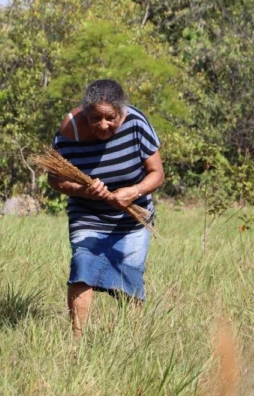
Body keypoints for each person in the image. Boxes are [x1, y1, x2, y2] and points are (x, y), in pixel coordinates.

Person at [48, 79, 164, 337]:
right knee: (83, 266)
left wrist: (133, 192)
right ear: (84, 113)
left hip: (133, 216)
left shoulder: (136, 123)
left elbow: (157, 173)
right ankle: (76, 342)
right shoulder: (69, 131)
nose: (102, 125)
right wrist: (82, 191)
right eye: (94, 118)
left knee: (129, 277)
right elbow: (54, 179)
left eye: (110, 118)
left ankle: (130, 343)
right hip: (87, 214)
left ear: (121, 112)